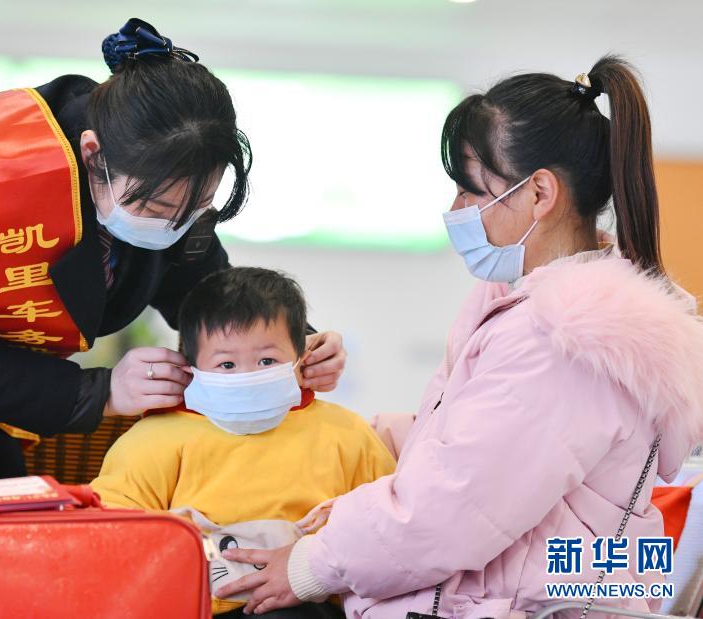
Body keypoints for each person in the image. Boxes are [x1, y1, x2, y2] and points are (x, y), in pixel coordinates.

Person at [0, 18, 346, 614]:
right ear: (93, 155)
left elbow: (208, 293)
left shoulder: (164, 179)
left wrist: (297, 347)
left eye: (195, 210)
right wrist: (102, 391)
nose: (174, 227)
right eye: (159, 208)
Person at [216, 56, 703, 618]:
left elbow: (451, 506)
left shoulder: (568, 340)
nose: (456, 211)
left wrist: (309, 564)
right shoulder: (529, 307)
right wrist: (340, 435)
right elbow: (464, 442)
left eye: (470, 191)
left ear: (540, 194)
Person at [91, 267, 394, 618]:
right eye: (227, 364)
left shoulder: (345, 432)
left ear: (301, 357)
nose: (248, 375)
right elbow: (111, 528)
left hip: (313, 603)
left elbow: (386, 519)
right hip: (197, 606)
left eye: (267, 360)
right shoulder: (153, 439)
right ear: (191, 367)